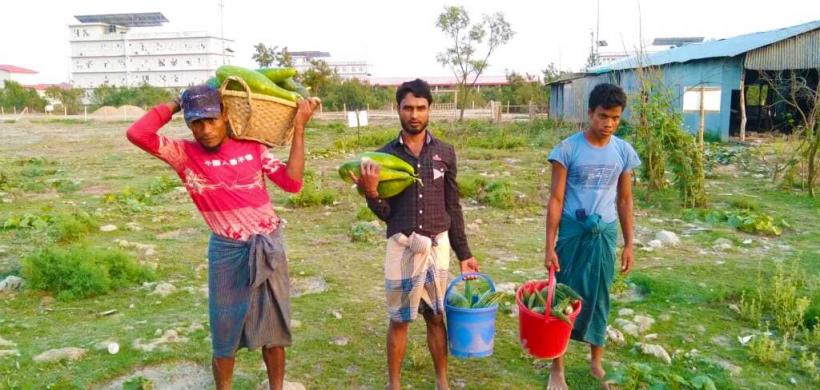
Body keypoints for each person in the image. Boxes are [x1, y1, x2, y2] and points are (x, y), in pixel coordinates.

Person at [126, 84, 318, 390]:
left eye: (211, 119)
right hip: (226, 252)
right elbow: (138, 134)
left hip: (268, 246)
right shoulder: (183, 154)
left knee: (274, 331)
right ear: (188, 123)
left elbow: (292, 184)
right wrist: (177, 103)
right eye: (196, 122)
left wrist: (299, 128)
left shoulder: (253, 148)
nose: (205, 129)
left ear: (225, 115)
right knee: (224, 333)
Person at [348, 79, 480, 390]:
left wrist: (466, 253)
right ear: (398, 110)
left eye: (421, 108)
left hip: (438, 245)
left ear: (430, 110)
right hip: (402, 245)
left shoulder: (445, 153)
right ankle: (394, 385)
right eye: (408, 108)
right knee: (399, 319)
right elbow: (386, 215)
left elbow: (453, 206)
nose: (415, 114)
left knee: (436, 316)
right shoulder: (381, 159)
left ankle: (442, 382)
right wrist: (370, 192)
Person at [543, 83, 640, 389]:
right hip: (572, 232)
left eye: (615, 118)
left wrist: (629, 244)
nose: (609, 123)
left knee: (600, 296)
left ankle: (596, 362)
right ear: (589, 113)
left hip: (604, 234)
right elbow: (556, 199)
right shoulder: (567, 150)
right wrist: (549, 245)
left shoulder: (623, 152)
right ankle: (557, 367)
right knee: (564, 295)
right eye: (603, 116)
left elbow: (624, 200)